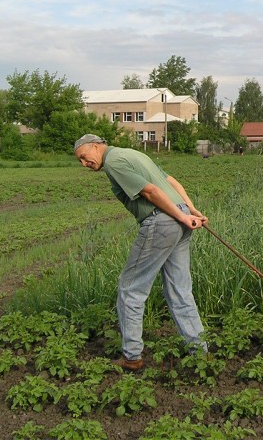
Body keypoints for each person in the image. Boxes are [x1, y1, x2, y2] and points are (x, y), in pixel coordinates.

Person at [74, 134, 208, 371]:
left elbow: (150, 191)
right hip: (179, 219)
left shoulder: (114, 161)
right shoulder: (133, 153)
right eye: (80, 162)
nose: (84, 164)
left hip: (163, 222)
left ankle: (132, 356)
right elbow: (171, 180)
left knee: (131, 289)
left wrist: (183, 216)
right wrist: (190, 210)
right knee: (179, 290)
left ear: (96, 147)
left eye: (84, 157)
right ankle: (199, 352)